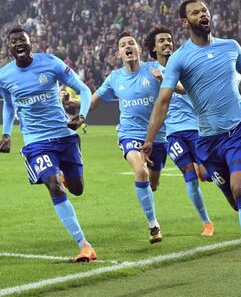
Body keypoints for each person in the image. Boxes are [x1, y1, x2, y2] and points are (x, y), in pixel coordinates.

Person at [141, 0, 241, 284]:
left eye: (205, 11)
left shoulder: (230, 46)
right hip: (208, 140)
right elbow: (163, 100)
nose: (203, 15)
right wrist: (150, 140)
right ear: (185, 23)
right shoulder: (180, 59)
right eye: (195, 13)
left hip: (240, 129)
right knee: (238, 202)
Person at [0, 27, 95, 262]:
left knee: (77, 188)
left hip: (64, 136)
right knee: (54, 185)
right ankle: (84, 245)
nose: (18, 44)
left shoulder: (50, 63)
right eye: (13, 41)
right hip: (36, 142)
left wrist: (81, 116)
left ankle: (60, 174)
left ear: (31, 43)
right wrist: (6, 133)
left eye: (22, 40)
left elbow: (83, 89)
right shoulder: (4, 76)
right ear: (8, 47)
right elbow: (9, 105)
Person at [85, 30, 171, 244]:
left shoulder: (155, 69)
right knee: (140, 172)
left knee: (153, 184)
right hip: (129, 134)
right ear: (119, 53)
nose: (128, 46)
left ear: (139, 49)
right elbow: (93, 102)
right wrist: (74, 108)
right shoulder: (115, 77)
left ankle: (149, 198)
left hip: (158, 136)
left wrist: (164, 79)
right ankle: (154, 226)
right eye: (123, 45)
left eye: (131, 43)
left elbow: (181, 89)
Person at [144, 25, 215, 237]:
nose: (167, 43)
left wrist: (166, 81)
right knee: (189, 174)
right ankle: (207, 223)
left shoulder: (183, 66)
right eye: (162, 41)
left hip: (196, 129)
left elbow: (189, 91)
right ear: (154, 48)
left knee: (208, 174)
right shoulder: (149, 71)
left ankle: (239, 191)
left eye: (169, 40)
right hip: (172, 134)